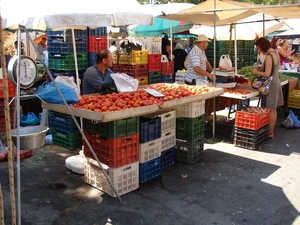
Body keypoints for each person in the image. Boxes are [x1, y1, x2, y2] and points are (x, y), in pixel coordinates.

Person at [252, 37, 284, 139]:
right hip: (275, 82)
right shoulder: (275, 52)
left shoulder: (269, 56)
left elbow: (267, 74)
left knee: (270, 109)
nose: (259, 50)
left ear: (262, 46)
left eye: (259, 48)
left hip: (271, 85)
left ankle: (270, 133)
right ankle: (271, 131)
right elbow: (272, 68)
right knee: (273, 109)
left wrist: (257, 72)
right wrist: (262, 67)